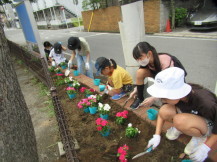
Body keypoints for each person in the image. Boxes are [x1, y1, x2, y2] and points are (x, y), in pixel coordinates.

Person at [146, 67, 217, 162]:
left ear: (176, 93)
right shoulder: (178, 97)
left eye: (165, 97)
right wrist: (156, 135)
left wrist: (206, 147)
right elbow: (162, 114)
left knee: (179, 120)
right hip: (191, 116)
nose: (162, 99)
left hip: (208, 124)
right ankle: (182, 128)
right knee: (164, 110)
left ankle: (200, 137)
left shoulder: (206, 103)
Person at [130, 41, 187, 109]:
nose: (139, 61)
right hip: (160, 76)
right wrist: (136, 89)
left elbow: (168, 83)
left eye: (140, 58)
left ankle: (173, 103)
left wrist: (154, 98)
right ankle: (139, 98)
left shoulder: (165, 61)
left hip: (173, 81)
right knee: (140, 72)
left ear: (149, 53)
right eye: (137, 59)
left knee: (171, 101)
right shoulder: (147, 61)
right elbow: (140, 76)